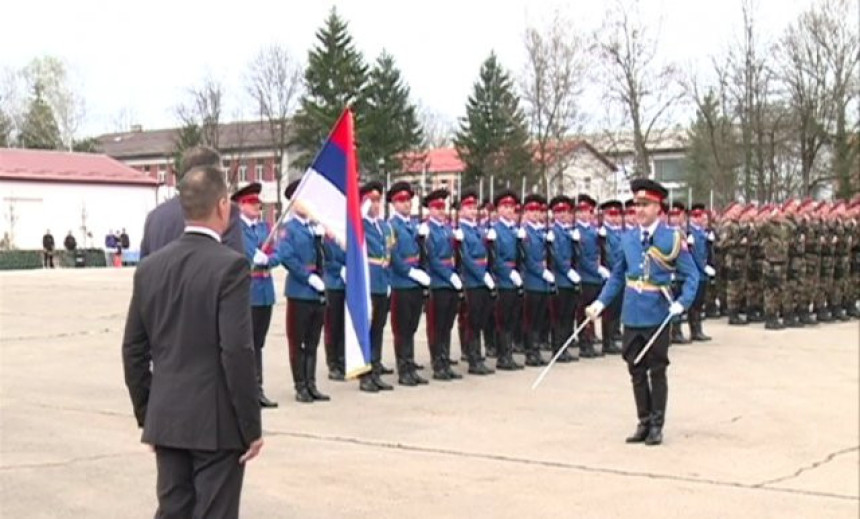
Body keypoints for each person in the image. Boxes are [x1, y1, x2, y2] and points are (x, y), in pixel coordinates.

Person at [121, 165, 263, 518]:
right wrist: (251, 426)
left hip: (167, 417)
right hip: (217, 424)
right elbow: (236, 351)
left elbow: (133, 351)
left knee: (173, 511)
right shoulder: (230, 267)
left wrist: (148, 413)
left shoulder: (150, 268)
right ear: (222, 207)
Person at [586, 179, 699, 446]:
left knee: (656, 369)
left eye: (645, 204)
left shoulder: (671, 238)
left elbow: (691, 275)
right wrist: (600, 303)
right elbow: (617, 276)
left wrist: (682, 303)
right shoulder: (628, 238)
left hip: (658, 312)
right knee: (635, 368)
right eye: (636, 204)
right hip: (632, 311)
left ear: (658, 207)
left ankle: (657, 424)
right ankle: (643, 421)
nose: (639, 210)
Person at [276, 179, 331, 403]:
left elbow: (327, 256)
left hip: (318, 290)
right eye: (303, 199)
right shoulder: (288, 229)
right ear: (293, 202)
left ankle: (311, 383)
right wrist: (308, 277)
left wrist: (321, 239)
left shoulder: (314, 227)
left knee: (312, 341)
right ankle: (300, 385)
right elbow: (287, 257)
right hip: (300, 290)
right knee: (297, 341)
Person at [139, 146, 244, 259]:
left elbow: (144, 269)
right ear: (213, 176)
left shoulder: (154, 217)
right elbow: (234, 266)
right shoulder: (224, 211)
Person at [233, 182, 279, 408]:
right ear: (241, 205)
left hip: (265, 291)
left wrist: (268, 259)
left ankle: (257, 387)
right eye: (252, 203)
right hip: (248, 291)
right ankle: (248, 389)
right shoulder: (236, 230)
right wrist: (255, 257)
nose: (257, 207)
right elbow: (243, 253)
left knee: (258, 343)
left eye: (258, 204)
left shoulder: (264, 228)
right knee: (247, 343)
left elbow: (277, 252)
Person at [387, 181, 431, 386]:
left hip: (415, 283)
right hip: (402, 282)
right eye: (401, 201)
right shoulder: (391, 226)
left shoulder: (413, 225)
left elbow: (421, 252)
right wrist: (411, 272)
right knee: (402, 328)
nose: (406, 204)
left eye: (408, 200)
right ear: (394, 204)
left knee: (412, 326)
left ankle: (410, 364)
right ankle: (403, 368)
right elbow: (393, 256)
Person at [423, 188, 464, 380]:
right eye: (436, 207)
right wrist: (450, 275)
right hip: (439, 282)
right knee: (436, 325)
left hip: (450, 282)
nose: (440, 211)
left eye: (442, 207)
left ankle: (445, 359)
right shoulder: (427, 230)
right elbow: (432, 258)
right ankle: (437, 363)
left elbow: (455, 256)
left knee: (447, 325)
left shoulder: (448, 229)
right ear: (429, 209)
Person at [360, 181, 395, 392]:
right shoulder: (359, 225)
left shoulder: (383, 226)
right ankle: (364, 374)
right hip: (368, 281)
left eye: (377, 200)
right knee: (367, 329)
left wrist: (389, 281)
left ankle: (375, 368)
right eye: (371, 200)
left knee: (379, 329)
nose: (375, 205)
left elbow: (388, 254)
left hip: (382, 281)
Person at [457, 189, 496, 375]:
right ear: (461, 210)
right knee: (472, 321)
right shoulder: (461, 231)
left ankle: (477, 355)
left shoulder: (478, 230)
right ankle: (473, 358)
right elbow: (466, 258)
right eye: (469, 207)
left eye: (474, 208)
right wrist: (483, 275)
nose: (473, 211)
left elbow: (487, 256)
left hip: (482, 279)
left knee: (481, 319)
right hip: (472, 281)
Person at [490, 190, 525, 371]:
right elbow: (495, 259)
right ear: (498, 210)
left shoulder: (514, 230)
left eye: (511, 207)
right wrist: (508, 272)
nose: (509, 210)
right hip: (504, 280)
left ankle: (509, 353)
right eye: (505, 206)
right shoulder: (495, 230)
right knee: (503, 319)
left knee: (512, 318)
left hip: (515, 279)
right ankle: (503, 356)